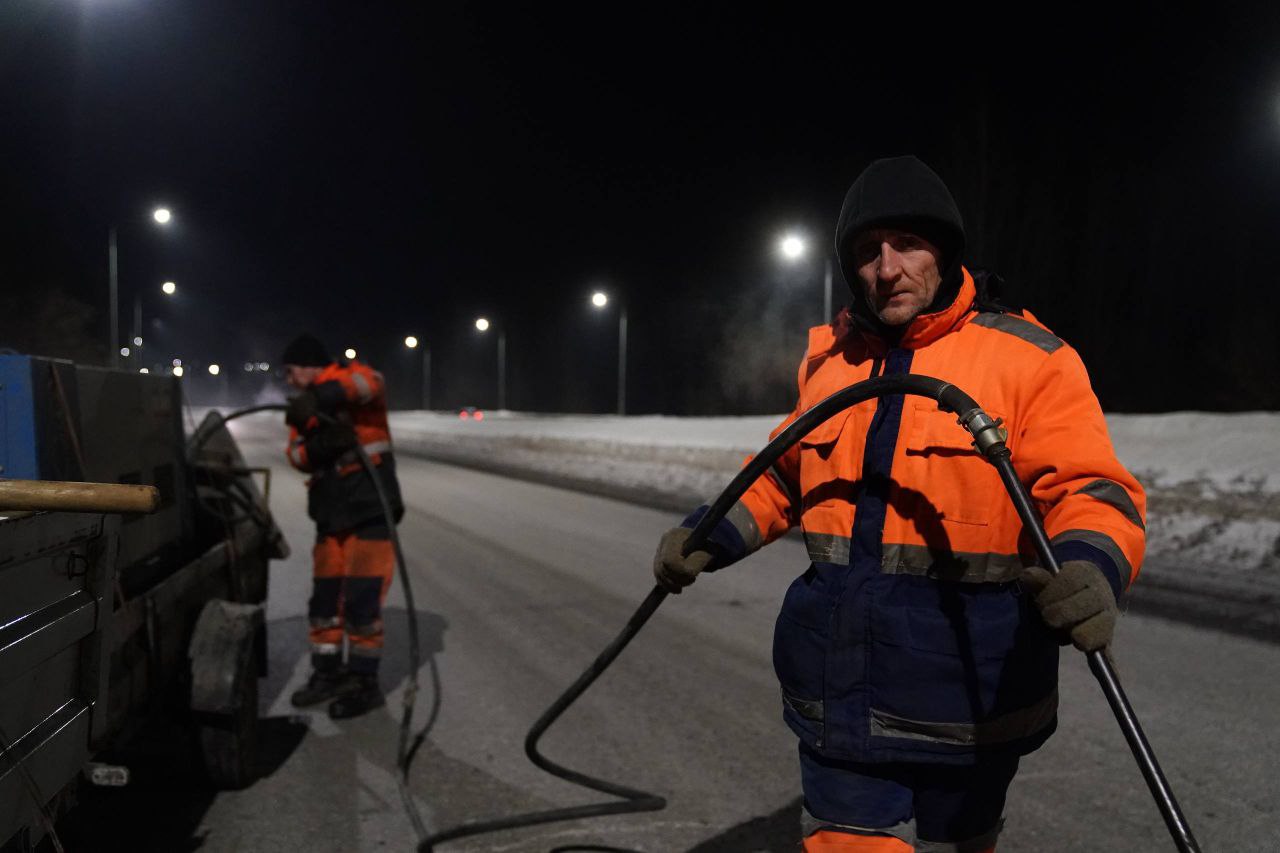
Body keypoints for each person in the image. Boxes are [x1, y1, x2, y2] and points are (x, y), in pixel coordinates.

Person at [653, 156, 1145, 852]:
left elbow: (1091, 489)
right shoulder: (831, 364)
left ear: (944, 250)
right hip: (840, 691)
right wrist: (706, 533)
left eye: (907, 244)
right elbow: (782, 476)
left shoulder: (1030, 359)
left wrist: (1092, 567)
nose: (887, 268)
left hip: (969, 703)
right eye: (867, 251)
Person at [281, 333, 404, 719]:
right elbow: (296, 454)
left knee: (362, 600)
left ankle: (363, 682)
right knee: (325, 602)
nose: (288, 380)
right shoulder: (303, 407)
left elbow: (371, 384)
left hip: (368, 507)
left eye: (291, 371)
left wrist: (322, 396)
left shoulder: (350, 377)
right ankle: (327, 674)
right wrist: (321, 446)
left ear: (309, 366)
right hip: (330, 513)